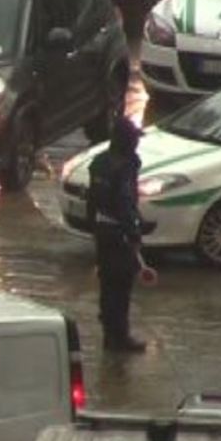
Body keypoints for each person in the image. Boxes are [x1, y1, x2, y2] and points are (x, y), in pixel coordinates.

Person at [87, 115, 146, 353]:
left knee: (108, 284)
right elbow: (124, 199)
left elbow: (92, 200)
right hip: (119, 233)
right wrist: (133, 231)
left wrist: (94, 227)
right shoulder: (125, 165)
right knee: (121, 287)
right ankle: (119, 337)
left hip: (103, 232)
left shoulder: (99, 162)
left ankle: (109, 334)